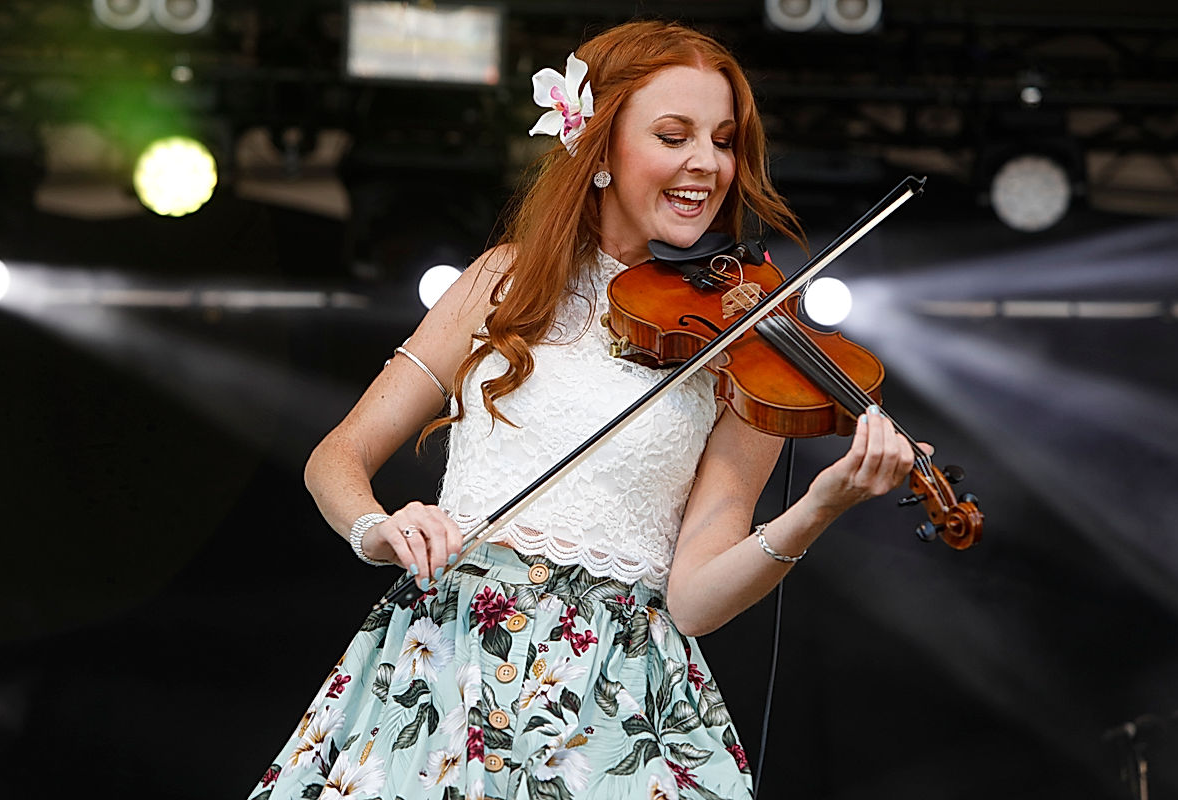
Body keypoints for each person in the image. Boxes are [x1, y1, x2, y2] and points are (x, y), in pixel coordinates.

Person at [248, 19, 923, 800]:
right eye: (673, 136)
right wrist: (378, 528)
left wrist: (817, 508)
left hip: (614, 697)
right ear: (599, 150)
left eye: (723, 141)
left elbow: (694, 601)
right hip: (449, 667)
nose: (708, 163)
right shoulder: (499, 282)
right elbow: (335, 457)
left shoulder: (746, 344)